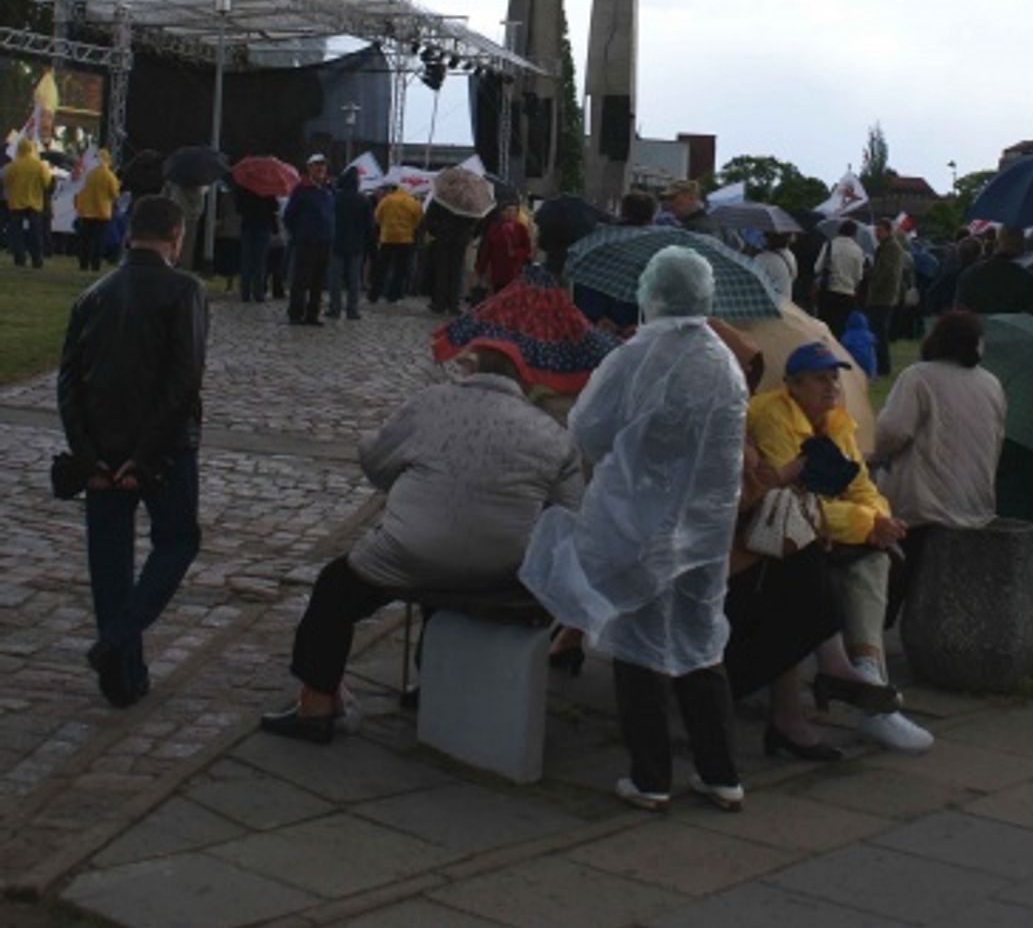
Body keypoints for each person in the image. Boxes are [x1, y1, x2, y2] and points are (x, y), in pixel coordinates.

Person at [522, 247, 748, 813]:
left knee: (638, 643)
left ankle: (651, 777)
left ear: (653, 292)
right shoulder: (724, 363)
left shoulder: (637, 357)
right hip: (706, 529)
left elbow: (588, 429)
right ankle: (721, 772)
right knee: (700, 640)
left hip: (642, 521)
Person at [261, 345, 582, 742]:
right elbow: (569, 513)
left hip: (411, 552)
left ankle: (317, 704)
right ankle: (432, 683)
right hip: (501, 564)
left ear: (471, 368)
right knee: (449, 576)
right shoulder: (553, 434)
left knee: (335, 589)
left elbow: (375, 460)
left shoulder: (430, 402)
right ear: (525, 381)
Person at [56, 195, 208, 708]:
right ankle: (118, 642)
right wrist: (143, 455)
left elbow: (68, 381)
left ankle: (120, 677)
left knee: (109, 562)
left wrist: (87, 452)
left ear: (128, 234)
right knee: (178, 540)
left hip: (102, 446)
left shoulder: (92, 294)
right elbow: (183, 380)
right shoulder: (185, 290)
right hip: (162, 449)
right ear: (176, 238)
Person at [748, 341, 933, 753]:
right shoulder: (772, 417)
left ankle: (867, 672)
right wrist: (869, 524)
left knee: (872, 559)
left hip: (824, 535)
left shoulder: (837, 423)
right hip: (776, 539)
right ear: (792, 385)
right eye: (820, 378)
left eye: (835, 377)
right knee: (861, 558)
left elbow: (862, 488)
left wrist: (878, 521)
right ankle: (868, 688)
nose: (831, 386)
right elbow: (794, 505)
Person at [872, 310, 1005, 613]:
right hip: (976, 504)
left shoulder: (918, 377)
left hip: (922, 507)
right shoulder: (992, 384)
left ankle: (876, 623)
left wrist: (873, 457)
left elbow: (891, 433)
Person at [283, 153, 334, 326]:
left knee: (318, 281)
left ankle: (313, 314)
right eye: (317, 165)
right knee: (301, 279)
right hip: (306, 241)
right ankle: (296, 313)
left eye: (323, 166)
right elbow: (289, 216)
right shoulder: (301, 189)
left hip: (324, 241)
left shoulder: (328, 190)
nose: (321, 169)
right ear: (309, 168)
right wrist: (298, 234)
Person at [956, 226, 1033, 318]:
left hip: (977, 330)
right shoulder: (1029, 280)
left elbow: (960, 313)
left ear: (996, 244)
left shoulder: (970, 274)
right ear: (1022, 247)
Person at [327, 166, 372, 320]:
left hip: (336, 242)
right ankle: (353, 310)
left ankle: (334, 308)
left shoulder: (335, 198)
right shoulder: (363, 200)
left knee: (335, 278)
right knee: (354, 279)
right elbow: (369, 226)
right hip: (356, 245)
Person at [3, 136, 53, 267]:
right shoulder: (39, 165)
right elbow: (46, 182)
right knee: (35, 233)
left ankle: (19, 258)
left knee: (17, 233)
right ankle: (37, 259)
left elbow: (6, 182)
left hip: (16, 204)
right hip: (34, 204)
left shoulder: (13, 166)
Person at [370, 180, 423, 304]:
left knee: (382, 268)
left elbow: (377, 217)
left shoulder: (386, 200)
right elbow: (418, 220)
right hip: (405, 240)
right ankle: (393, 296)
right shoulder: (412, 202)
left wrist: (385, 227)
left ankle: (374, 295)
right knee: (400, 270)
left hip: (387, 238)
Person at [865, 218, 906, 375]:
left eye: (880, 230)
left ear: (889, 231)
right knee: (878, 330)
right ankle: (880, 365)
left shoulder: (891, 248)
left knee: (880, 332)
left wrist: (874, 283)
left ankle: (883, 366)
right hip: (881, 295)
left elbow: (887, 272)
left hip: (883, 296)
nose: (877, 233)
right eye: (876, 230)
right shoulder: (885, 246)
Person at [814, 219, 866, 337]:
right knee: (841, 328)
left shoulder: (829, 245)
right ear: (854, 233)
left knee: (825, 327)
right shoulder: (858, 250)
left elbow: (817, 268)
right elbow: (858, 276)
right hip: (847, 294)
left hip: (828, 291)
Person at [74, 150, 120, 271]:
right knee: (98, 241)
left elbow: (81, 190)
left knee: (86, 240)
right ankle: (95, 265)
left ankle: (83, 264)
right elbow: (115, 194)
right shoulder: (109, 175)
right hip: (102, 212)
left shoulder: (89, 174)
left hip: (87, 211)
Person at [475, 200, 532, 294]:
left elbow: (527, 249)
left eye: (513, 211)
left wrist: (516, 253)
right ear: (502, 213)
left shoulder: (521, 229)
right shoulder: (494, 229)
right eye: (508, 211)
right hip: (498, 271)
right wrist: (481, 268)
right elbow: (486, 250)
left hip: (515, 271)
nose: (511, 214)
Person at [234, 183, 278, 303]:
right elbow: (275, 207)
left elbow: (238, 208)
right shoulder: (268, 187)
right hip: (263, 226)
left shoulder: (244, 188)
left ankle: (245, 292)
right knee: (260, 261)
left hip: (248, 226)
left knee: (246, 260)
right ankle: (258, 292)